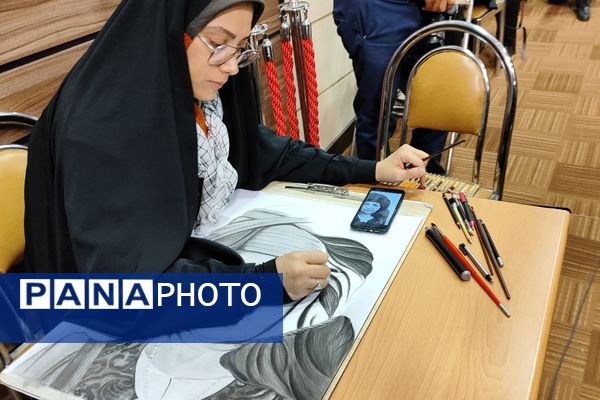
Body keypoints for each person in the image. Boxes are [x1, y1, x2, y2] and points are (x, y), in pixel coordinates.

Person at [23, 0, 429, 303]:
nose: (232, 66)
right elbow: (123, 289)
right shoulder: (103, 131)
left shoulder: (192, 92)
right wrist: (262, 285)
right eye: (218, 44)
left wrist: (371, 169)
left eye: (239, 47)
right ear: (168, 33)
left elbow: (265, 152)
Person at [332, 0, 454, 172]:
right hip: (378, 7)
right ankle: (377, 180)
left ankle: (422, 174)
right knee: (378, 112)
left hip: (420, 10)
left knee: (438, 99)